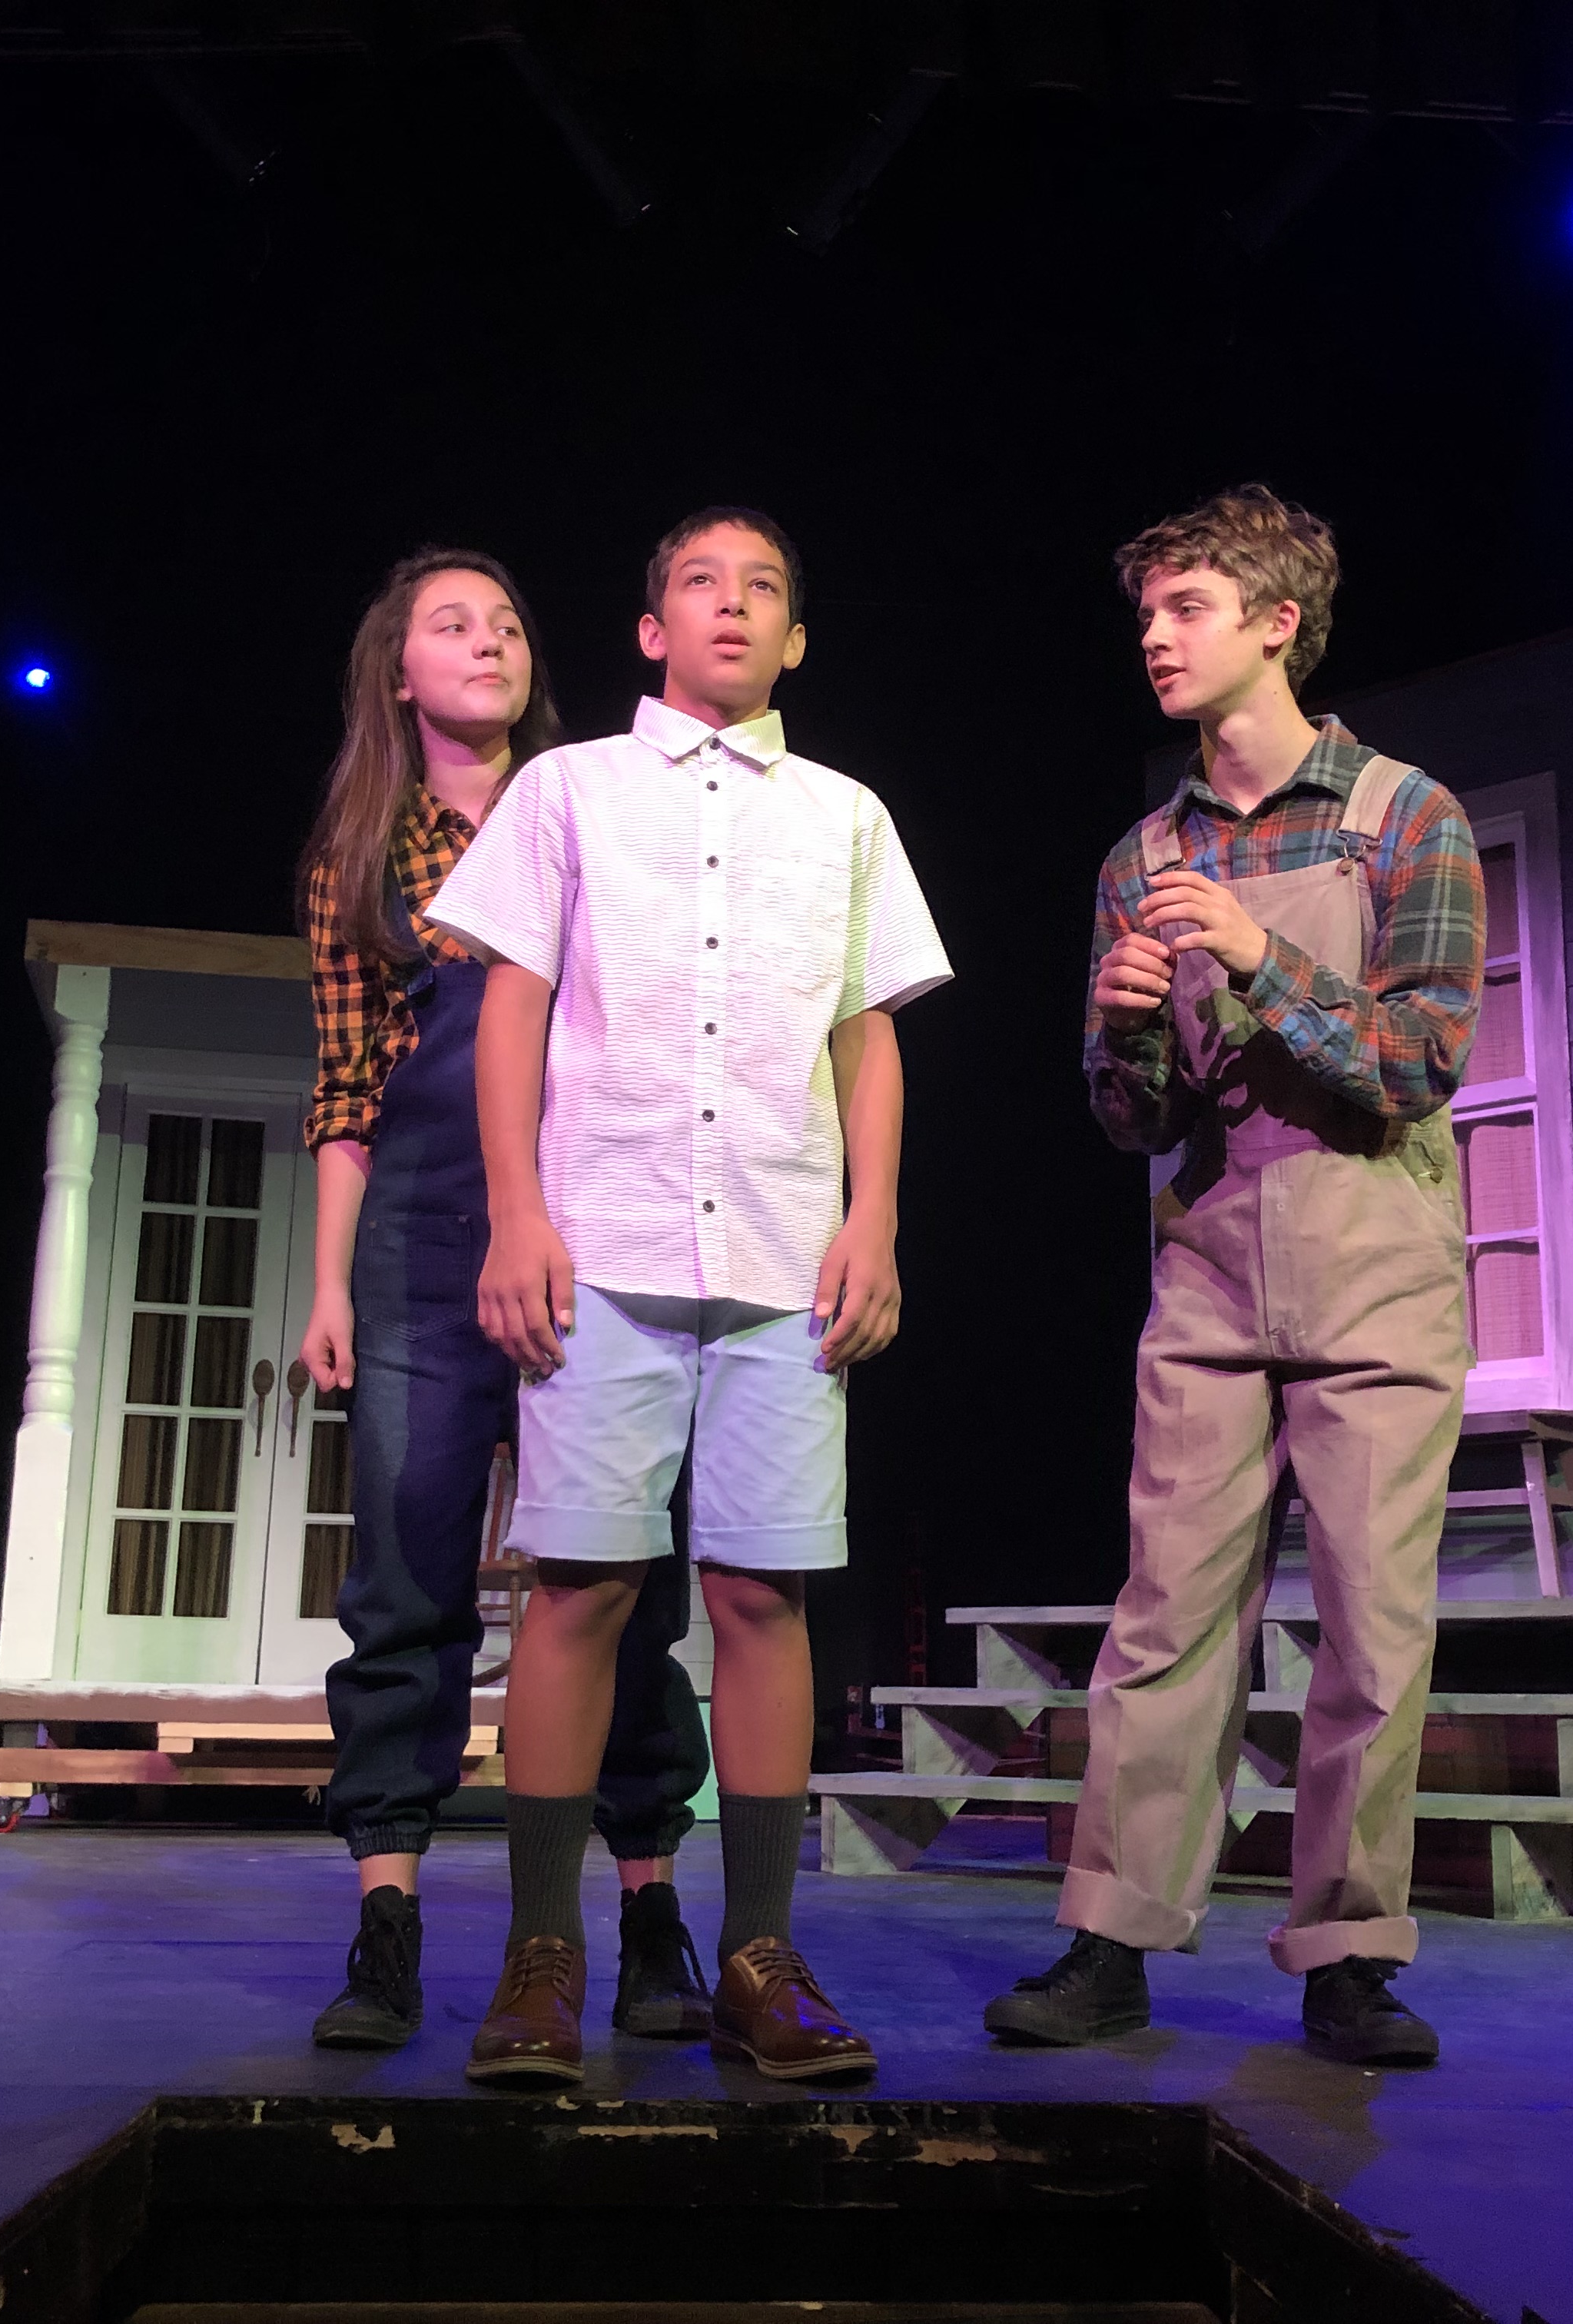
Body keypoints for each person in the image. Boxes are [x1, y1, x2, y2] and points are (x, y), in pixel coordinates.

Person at [428, 507, 950, 2085]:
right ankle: (542, 1954)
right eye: (700, 585)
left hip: (784, 1259)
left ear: (796, 637)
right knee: (580, 1589)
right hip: (607, 1242)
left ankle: (758, 1957)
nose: (733, 605)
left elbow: (866, 1029)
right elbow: (513, 1007)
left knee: (763, 1596)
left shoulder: (845, 813)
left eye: (763, 587)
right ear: (651, 628)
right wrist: (517, 1212)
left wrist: (875, 1220)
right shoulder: (567, 789)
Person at [983, 485, 1482, 2067]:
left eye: (1186, 607)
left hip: (1374, 1255)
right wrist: (1126, 1026)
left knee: (1372, 1627)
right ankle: (1112, 1936)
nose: (1154, 636)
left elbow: (1419, 1060)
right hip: (1207, 1264)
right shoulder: (1145, 853)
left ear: (1276, 624)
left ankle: (1349, 1954)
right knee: (1165, 1618)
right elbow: (1130, 1117)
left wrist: (1264, 962)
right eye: (1146, 612)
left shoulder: (1405, 816)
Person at [297, 548, 718, 2053]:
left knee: (619, 1577)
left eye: (509, 622)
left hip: (589, 1230)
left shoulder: (594, 809)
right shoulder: (360, 854)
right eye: (451, 624)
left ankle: (650, 1911)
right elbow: (346, 1092)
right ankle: (387, 1923)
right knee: (404, 1583)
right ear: (397, 670)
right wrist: (329, 1279)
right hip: (422, 1235)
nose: (489, 641)